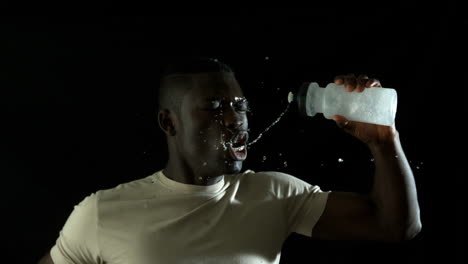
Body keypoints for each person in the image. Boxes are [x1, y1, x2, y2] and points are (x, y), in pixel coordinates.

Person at [38, 57, 421, 264]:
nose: (235, 119)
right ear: (169, 122)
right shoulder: (103, 213)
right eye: (215, 107)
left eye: (240, 106)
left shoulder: (274, 194)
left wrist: (384, 141)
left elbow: (394, 227)